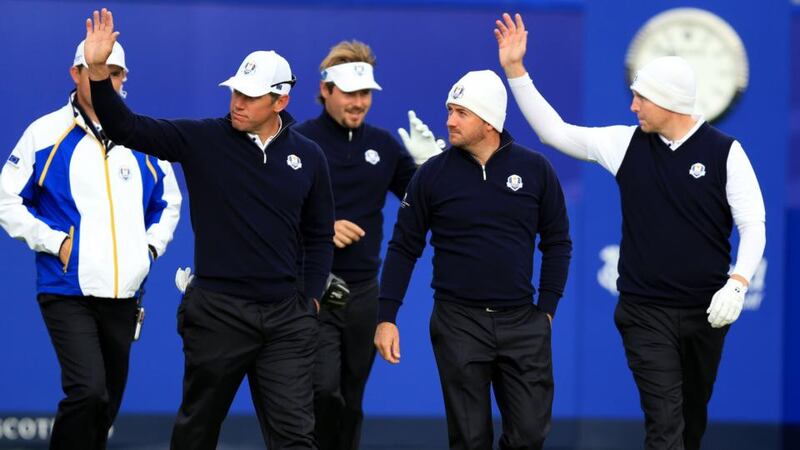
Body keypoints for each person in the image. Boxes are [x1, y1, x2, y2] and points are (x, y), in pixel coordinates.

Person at [494, 13, 766, 450]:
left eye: (640, 98)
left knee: (689, 422)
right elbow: (554, 132)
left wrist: (737, 282)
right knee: (664, 424)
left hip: (707, 312)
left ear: (669, 101)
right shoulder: (624, 144)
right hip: (643, 311)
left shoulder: (725, 153)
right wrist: (516, 72)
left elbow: (753, 224)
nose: (632, 106)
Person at [82, 9, 335, 450]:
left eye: (250, 96)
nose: (237, 102)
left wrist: (309, 298)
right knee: (197, 432)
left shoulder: (309, 157)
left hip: (286, 318)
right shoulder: (203, 139)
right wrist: (100, 73)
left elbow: (319, 233)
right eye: (235, 91)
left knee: (296, 437)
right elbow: (125, 127)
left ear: (280, 101)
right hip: (219, 311)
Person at [374, 69, 572, 450]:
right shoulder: (432, 175)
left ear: (489, 120)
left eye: (461, 112)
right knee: (469, 440)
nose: (449, 120)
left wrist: (546, 310)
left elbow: (558, 242)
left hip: (522, 322)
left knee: (529, 435)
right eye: (449, 110)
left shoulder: (535, 170)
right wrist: (386, 317)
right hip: (457, 323)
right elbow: (403, 247)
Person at [0, 37, 181, 449]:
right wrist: (55, 242)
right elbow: (5, 199)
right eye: (98, 71)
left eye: (115, 73)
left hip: (124, 295)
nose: (107, 80)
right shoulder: (44, 133)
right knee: (88, 392)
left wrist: (148, 249)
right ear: (76, 73)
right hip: (67, 289)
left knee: (106, 406)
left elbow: (169, 201)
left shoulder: (142, 137)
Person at [292, 40, 440, 450]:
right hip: (313, 288)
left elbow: (424, 201)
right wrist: (321, 228)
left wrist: (432, 166)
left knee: (351, 400)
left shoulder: (385, 146)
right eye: (350, 94)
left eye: (365, 95)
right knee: (322, 392)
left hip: (362, 294)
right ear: (325, 91)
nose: (359, 103)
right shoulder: (299, 142)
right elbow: (272, 212)